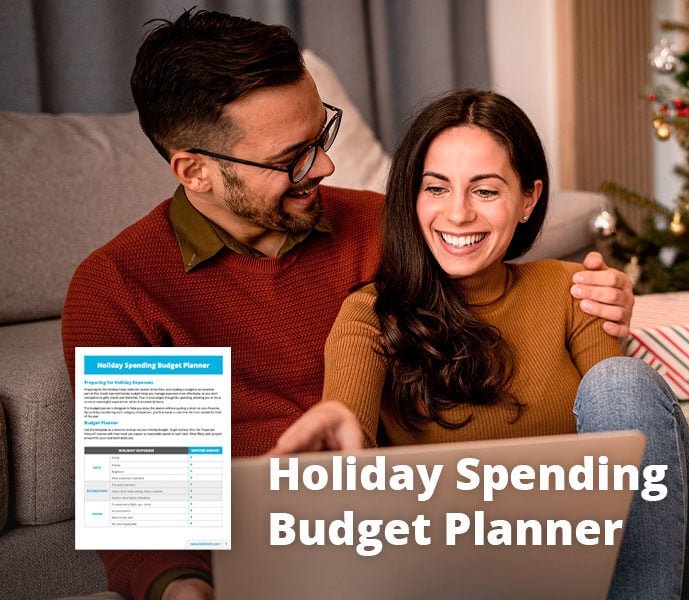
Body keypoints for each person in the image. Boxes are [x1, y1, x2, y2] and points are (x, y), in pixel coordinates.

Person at [60, 10, 634, 600]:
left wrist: (602, 293)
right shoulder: (124, 289)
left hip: (416, 538)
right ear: (196, 171)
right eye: (292, 158)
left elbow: (506, 292)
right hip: (263, 563)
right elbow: (152, 516)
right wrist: (183, 589)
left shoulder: (380, 228)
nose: (326, 168)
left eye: (322, 136)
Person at [292, 89, 689, 599]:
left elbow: (627, 469)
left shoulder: (574, 290)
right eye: (436, 189)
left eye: (485, 191)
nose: (457, 215)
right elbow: (350, 464)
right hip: (478, 565)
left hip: (622, 561)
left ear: (528, 199)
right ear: (412, 198)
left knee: (622, 380)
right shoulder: (371, 316)